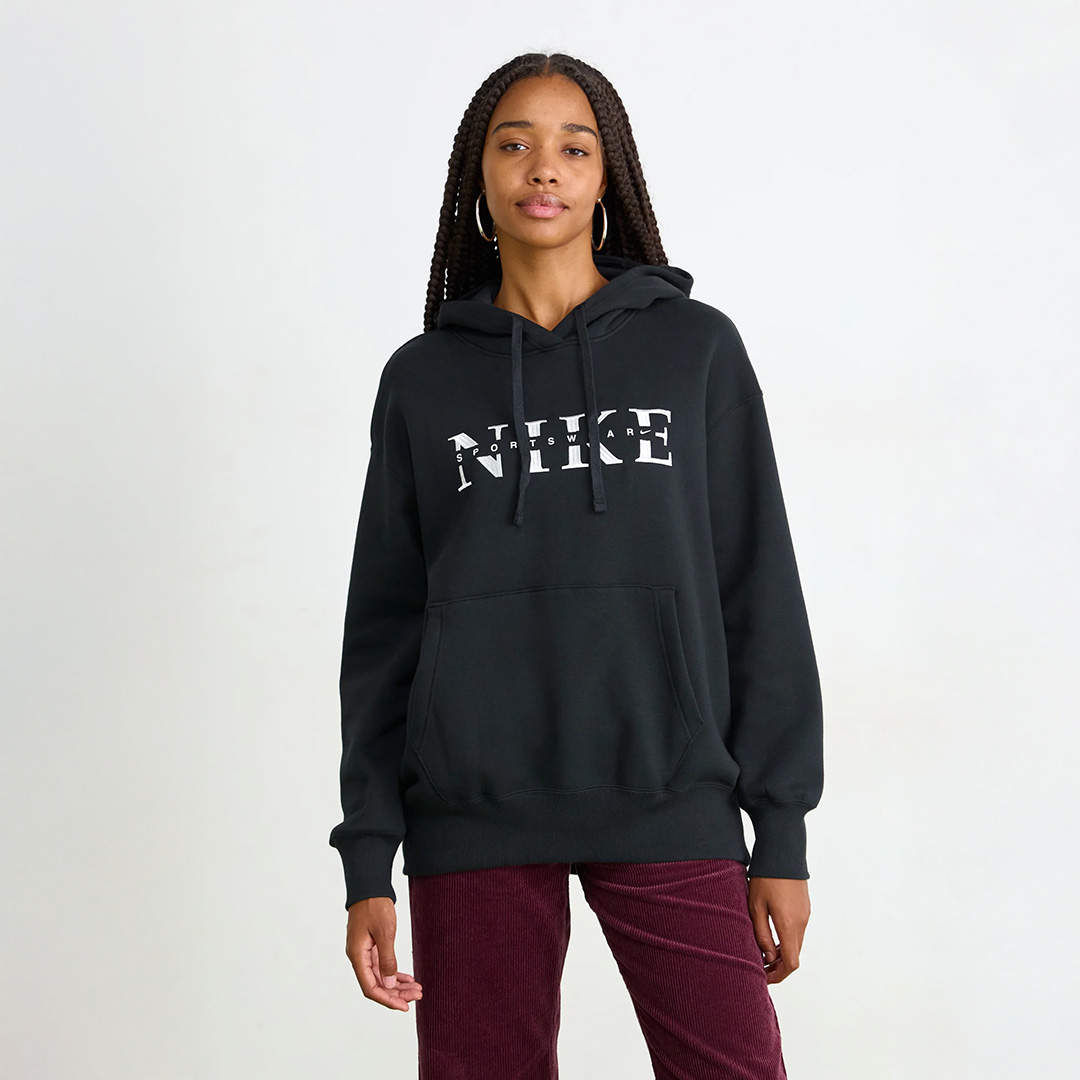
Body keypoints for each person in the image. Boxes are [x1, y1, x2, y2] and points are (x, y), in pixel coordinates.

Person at [328, 51, 824, 1080]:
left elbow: (757, 589)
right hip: (472, 812)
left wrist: (779, 830)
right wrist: (368, 852)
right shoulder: (423, 380)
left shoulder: (694, 351)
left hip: (671, 791)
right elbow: (384, 625)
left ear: (608, 178)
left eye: (573, 146)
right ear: (478, 176)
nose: (543, 167)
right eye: (514, 144)